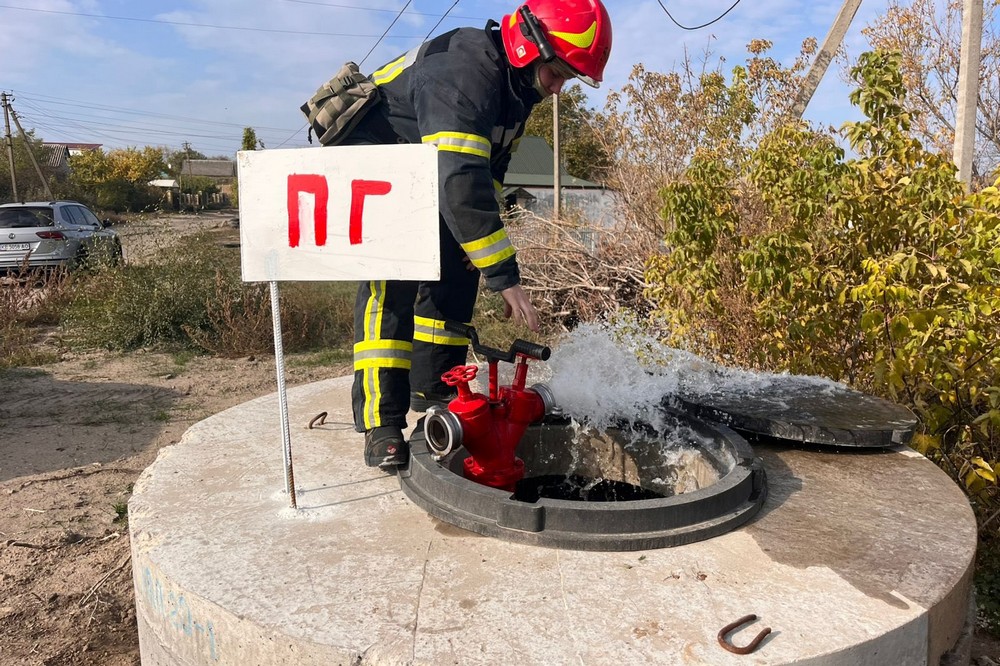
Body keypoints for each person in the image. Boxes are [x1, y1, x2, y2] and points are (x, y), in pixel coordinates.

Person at [338, 0, 613, 467]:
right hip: (382, 174)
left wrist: (479, 251)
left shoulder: (514, 91)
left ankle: (437, 392)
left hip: (433, 178)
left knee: (458, 274)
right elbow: (461, 180)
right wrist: (505, 276)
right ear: (530, 47)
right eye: (558, 73)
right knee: (392, 292)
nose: (558, 88)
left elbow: (490, 174)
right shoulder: (464, 73)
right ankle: (382, 423)